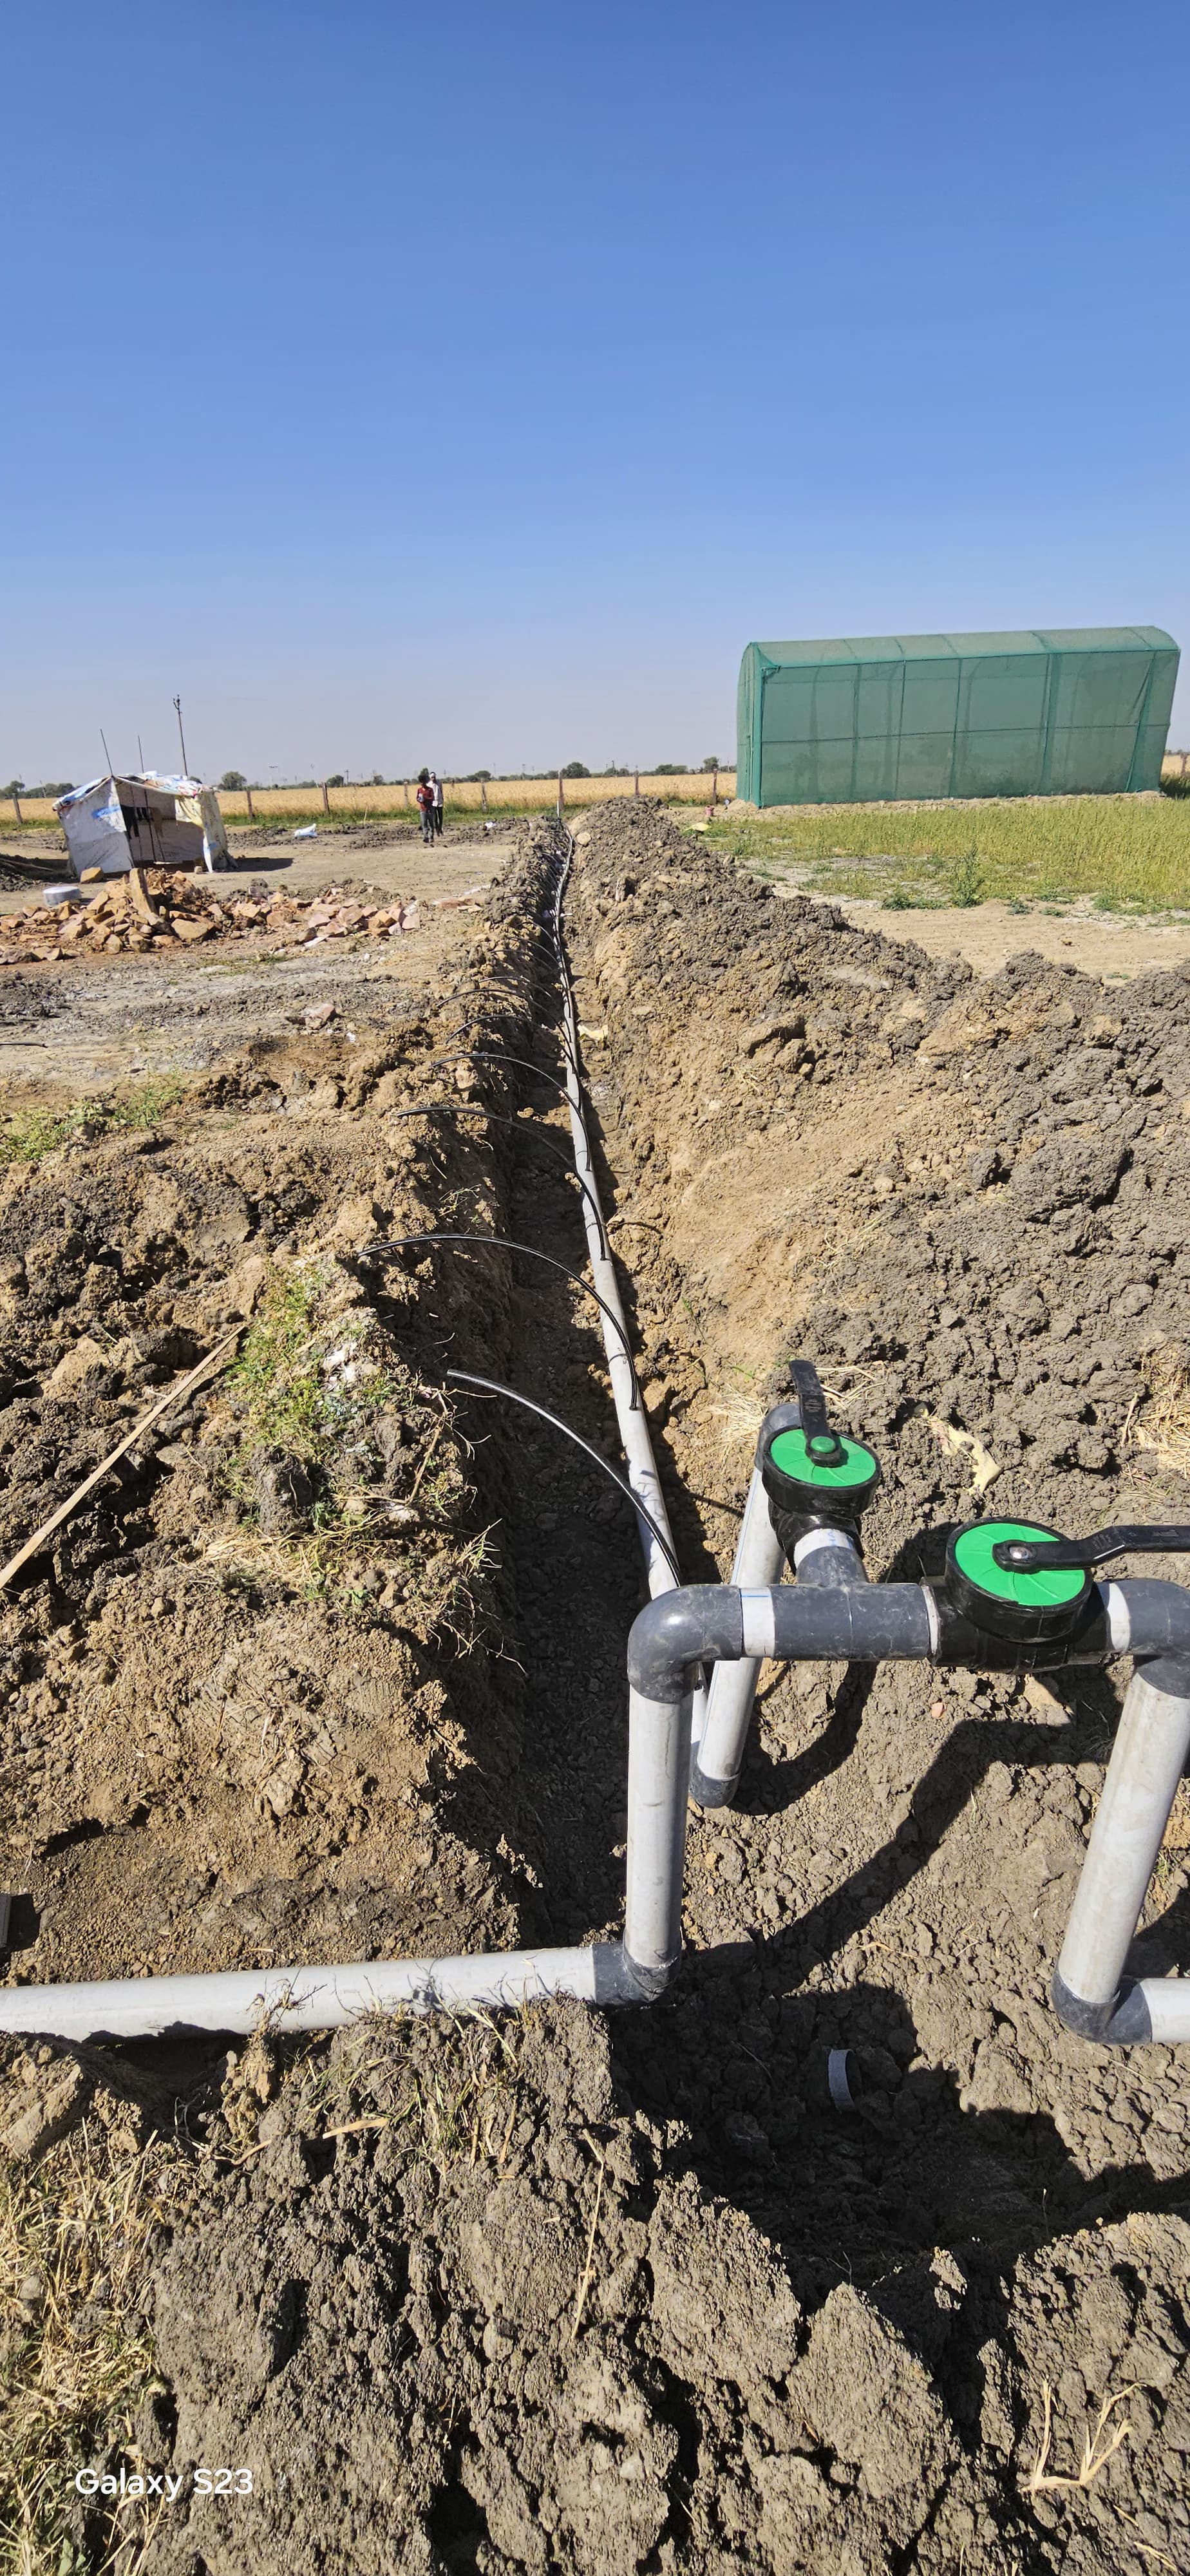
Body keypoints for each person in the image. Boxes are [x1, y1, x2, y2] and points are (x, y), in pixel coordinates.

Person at [416, 769, 434, 846]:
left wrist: (426, 799)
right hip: (423, 809)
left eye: (423, 782)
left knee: (431, 824)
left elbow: (432, 798)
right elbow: (417, 798)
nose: (422, 784)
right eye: (421, 782)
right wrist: (420, 800)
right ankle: (425, 837)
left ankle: (431, 836)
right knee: (424, 824)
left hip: (430, 809)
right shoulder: (419, 790)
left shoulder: (430, 790)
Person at [430, 770, 444, 837]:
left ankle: (441, 829)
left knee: (441, 817)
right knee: (435, 818)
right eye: (432, 777)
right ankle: (437, 831)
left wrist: (442, 798)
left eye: (434, 777)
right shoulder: (429, 785)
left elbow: (441, 791)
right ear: (430, 778)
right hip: (433, 803)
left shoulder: (439, 783)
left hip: (440, 801)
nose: (433, 779)